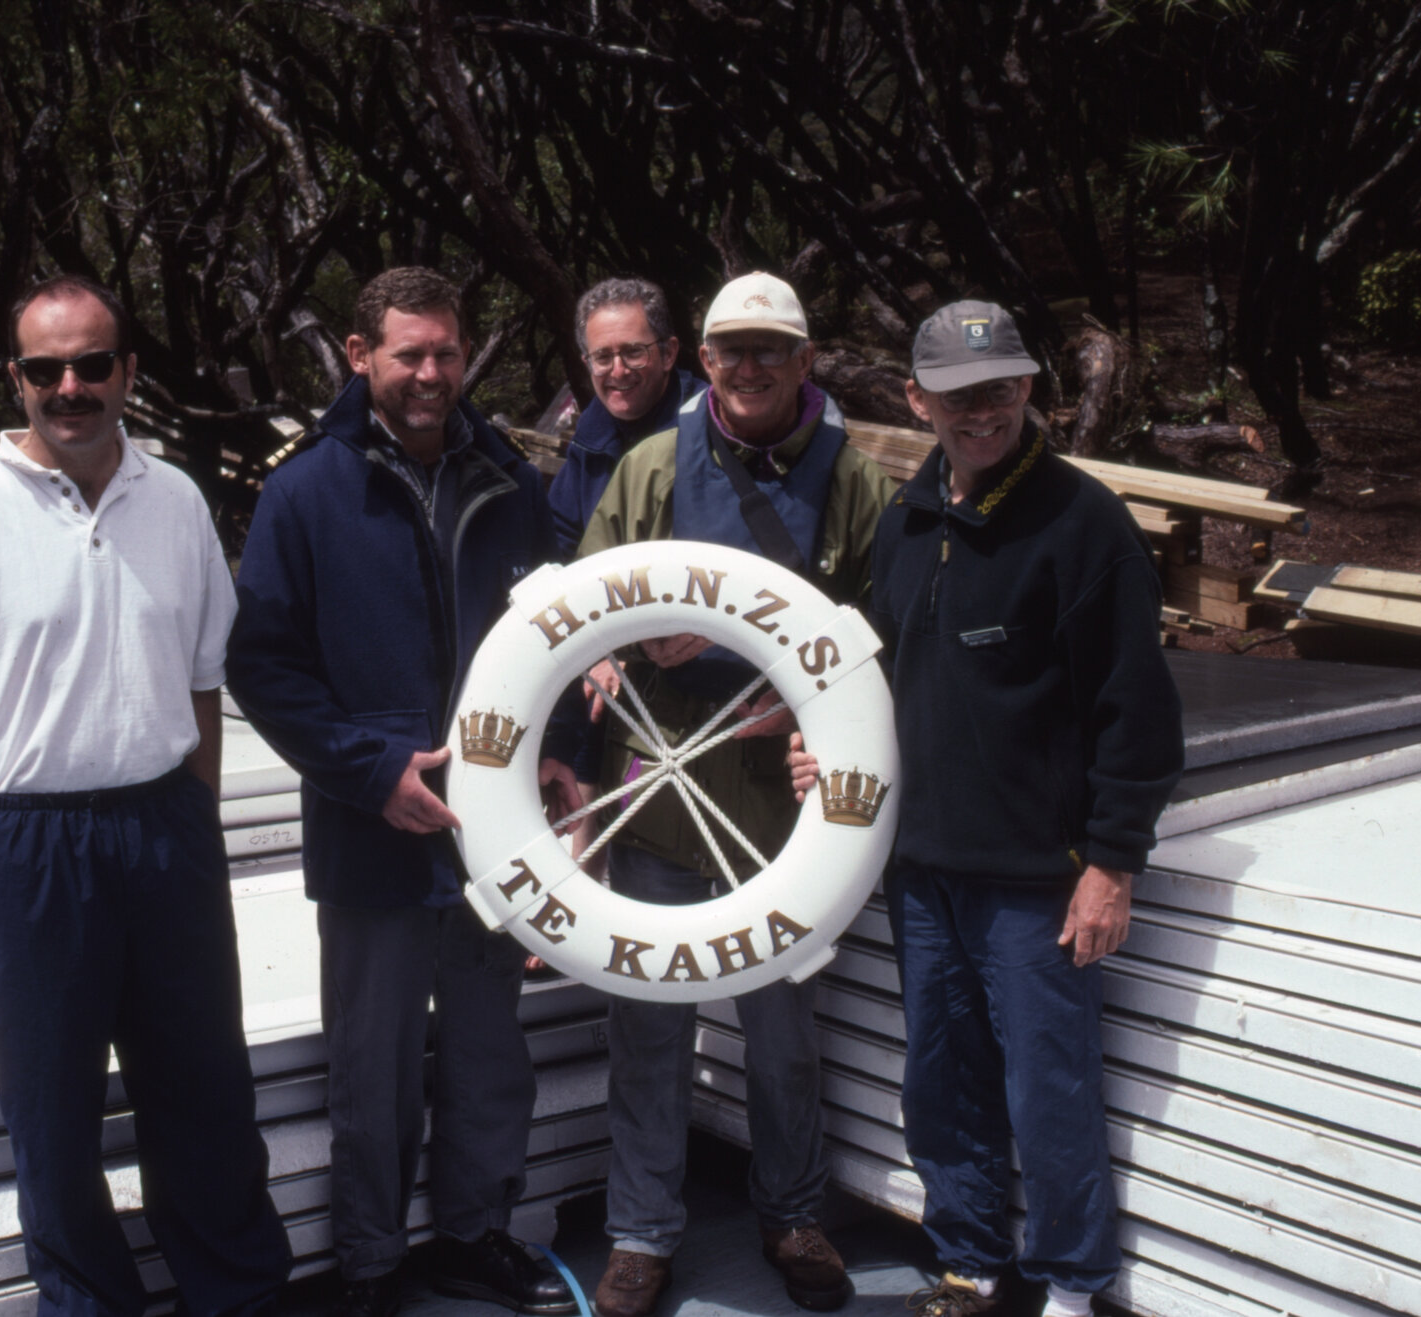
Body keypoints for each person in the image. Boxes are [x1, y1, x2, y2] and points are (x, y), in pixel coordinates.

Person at [0, 274, 291, 1316]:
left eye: (92, 364)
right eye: (46, 368)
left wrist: (190, 823)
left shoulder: (177, 502)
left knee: (203, 1092)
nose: (71, 386)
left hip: (164, 832)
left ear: (128, 373)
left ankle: (235, 1295)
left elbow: (202, 683)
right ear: (14, 378)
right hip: (23, 849)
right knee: (52, 1115)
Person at [795, 300, 1183, 1317]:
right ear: (916, 399)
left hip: (1035, 878)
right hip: (923, 867)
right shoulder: (907, 517)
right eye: (959, 394)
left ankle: (1067, 1286)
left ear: (1029, 388)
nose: (984, 411)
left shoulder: (1081, 522)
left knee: (1044, 1092)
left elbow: (1134, 711)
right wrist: (819, 751)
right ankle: (968, 1261)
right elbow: (872, 672)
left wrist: (1110, 862)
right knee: (940, 1082)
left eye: (1002, 386)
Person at [549, 271, 897, 1317]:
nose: (747, 368)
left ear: (803, 362)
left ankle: (793, 1216)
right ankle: (641, 1234)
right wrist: (624, 646)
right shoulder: (652, 467)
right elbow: (580, 600)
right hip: (658, 788)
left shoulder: (853, 482)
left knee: (785, 1035)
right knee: (646, 1027)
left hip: (778, 805)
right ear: (702, 362)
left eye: (769, 350)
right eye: (728, 350)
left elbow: (887, 636)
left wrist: (808, 722)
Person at [226, 268, 572, 1317]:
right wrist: (372, 773)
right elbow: (263, 665)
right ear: (357, 353)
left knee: (486, 1057)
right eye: (407, 354)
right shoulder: (303, 491)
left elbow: (557, 635)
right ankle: (372, 1263)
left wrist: (555, 751)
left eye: (445, 354)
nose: (428, 375)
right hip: (370, 832)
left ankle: (473, 1238)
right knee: (369, 1072)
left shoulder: (509, 479)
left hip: (491, 831)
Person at [548, 278, 705, 556]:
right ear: (587, 364)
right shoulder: (591, 432)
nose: (618, 371)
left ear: (668, 354)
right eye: (603, 357)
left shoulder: (709, 427)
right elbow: (559, 534)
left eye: (634, 352)